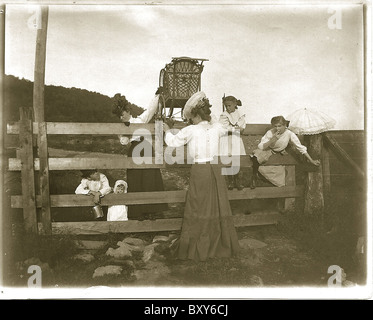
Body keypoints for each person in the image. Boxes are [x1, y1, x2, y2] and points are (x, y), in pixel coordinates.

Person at [163, 91, 240, 262]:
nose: (190, 120)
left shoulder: (190, 130)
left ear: (194, 115)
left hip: (200, 170)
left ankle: (198, 244)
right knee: (216, 205)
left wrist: (167, 129)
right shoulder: (217, 127)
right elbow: (231, 128)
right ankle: (218, 242)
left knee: (198, 206)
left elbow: (172, 142)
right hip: (215, 169)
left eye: (191, 116)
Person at [112, 93, 168, 220]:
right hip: (135, 151)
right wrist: (123, 134)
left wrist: (157, 95)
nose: (121, 117)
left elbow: (151, 109)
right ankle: (138, 213)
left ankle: (153, 212)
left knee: (150, 179)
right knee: (136, 180)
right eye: (119, 116)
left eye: (122, 114)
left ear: (127, 111)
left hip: (147, 150)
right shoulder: (122, 127)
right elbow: (124, 142)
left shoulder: (140, 120)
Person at [250, 115, 320, 189]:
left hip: (280, 152)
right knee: (256, 156)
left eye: (279, 126)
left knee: (282, 171)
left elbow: (299, 147)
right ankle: (254, 177)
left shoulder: (289, 134)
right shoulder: (270, 132)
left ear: (285, 125)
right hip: (269, 149)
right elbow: (260, 146)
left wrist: (311, 160)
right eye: (275, 126)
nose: (277, 128)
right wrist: (272, 140)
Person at [219, 95, 246, 190]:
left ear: (235, 104)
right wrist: (235, 128)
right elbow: (223, 128)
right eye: (226, 106)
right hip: (226, 139)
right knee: (228, 159)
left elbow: (242, 128)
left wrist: (233, 128)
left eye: (229, 105)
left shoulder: (240, 114)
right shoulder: (224, 115)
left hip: (236, 139)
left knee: (237, 159)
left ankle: (238, 181)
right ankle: (230, 181)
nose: (228, 108)